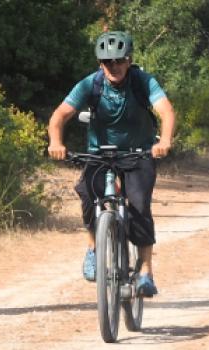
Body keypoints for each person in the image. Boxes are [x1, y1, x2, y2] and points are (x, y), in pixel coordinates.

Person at [48, 31, 175, 297]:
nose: (113, 66)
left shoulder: (143, 81)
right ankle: (94, 249)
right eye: (107, 62)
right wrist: (56, 143)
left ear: (129, 60)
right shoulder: (90, 85)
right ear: (100, 64)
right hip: (100, 154)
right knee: (87, 193)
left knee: (139, 206)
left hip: (139, 153)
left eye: (119, 60)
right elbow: (60, 115)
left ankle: (146, 273)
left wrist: (163, 141)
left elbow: (165, 110)